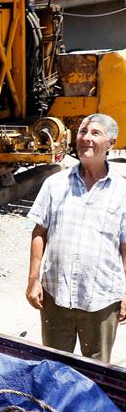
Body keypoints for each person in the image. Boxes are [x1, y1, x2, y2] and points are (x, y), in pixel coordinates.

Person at [26, 114, 126, 363]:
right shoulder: (54, 184)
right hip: (55, 294)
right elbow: (40, 232)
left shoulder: (122, 191)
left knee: (96, 372)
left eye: (95, 133)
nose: (86, 138)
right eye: (83, 132)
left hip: (102, 297)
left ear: (111, 143)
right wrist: (33, 279)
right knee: (54, 366)